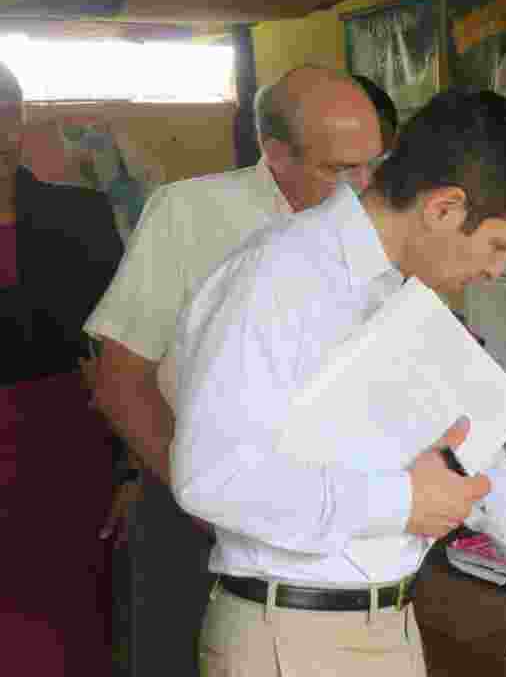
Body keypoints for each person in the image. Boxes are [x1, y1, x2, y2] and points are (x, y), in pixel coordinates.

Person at [170, 89, 506, 676]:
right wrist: (402, 502)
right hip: (290, 635)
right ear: (444, 208)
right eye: (498, 245)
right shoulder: (277, 275)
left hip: (390, 625)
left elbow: (477, 465)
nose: (496, 270)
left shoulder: (405, 293)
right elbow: (209, 478)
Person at [85, 65, 394, 676]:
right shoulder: (190, 212)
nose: (362, 190)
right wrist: (209, 502)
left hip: (326, 525)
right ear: (275, 153)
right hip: (190, 513)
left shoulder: (379, 228)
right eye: (340, 170)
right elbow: (120, 381)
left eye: (374, 166)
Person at [0, 60, 125, 674]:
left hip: (66, 450)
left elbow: (123, 347)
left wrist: (130, 468)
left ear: (21, 120)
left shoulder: (81, 215)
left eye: (5, 114)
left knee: (71, 619)